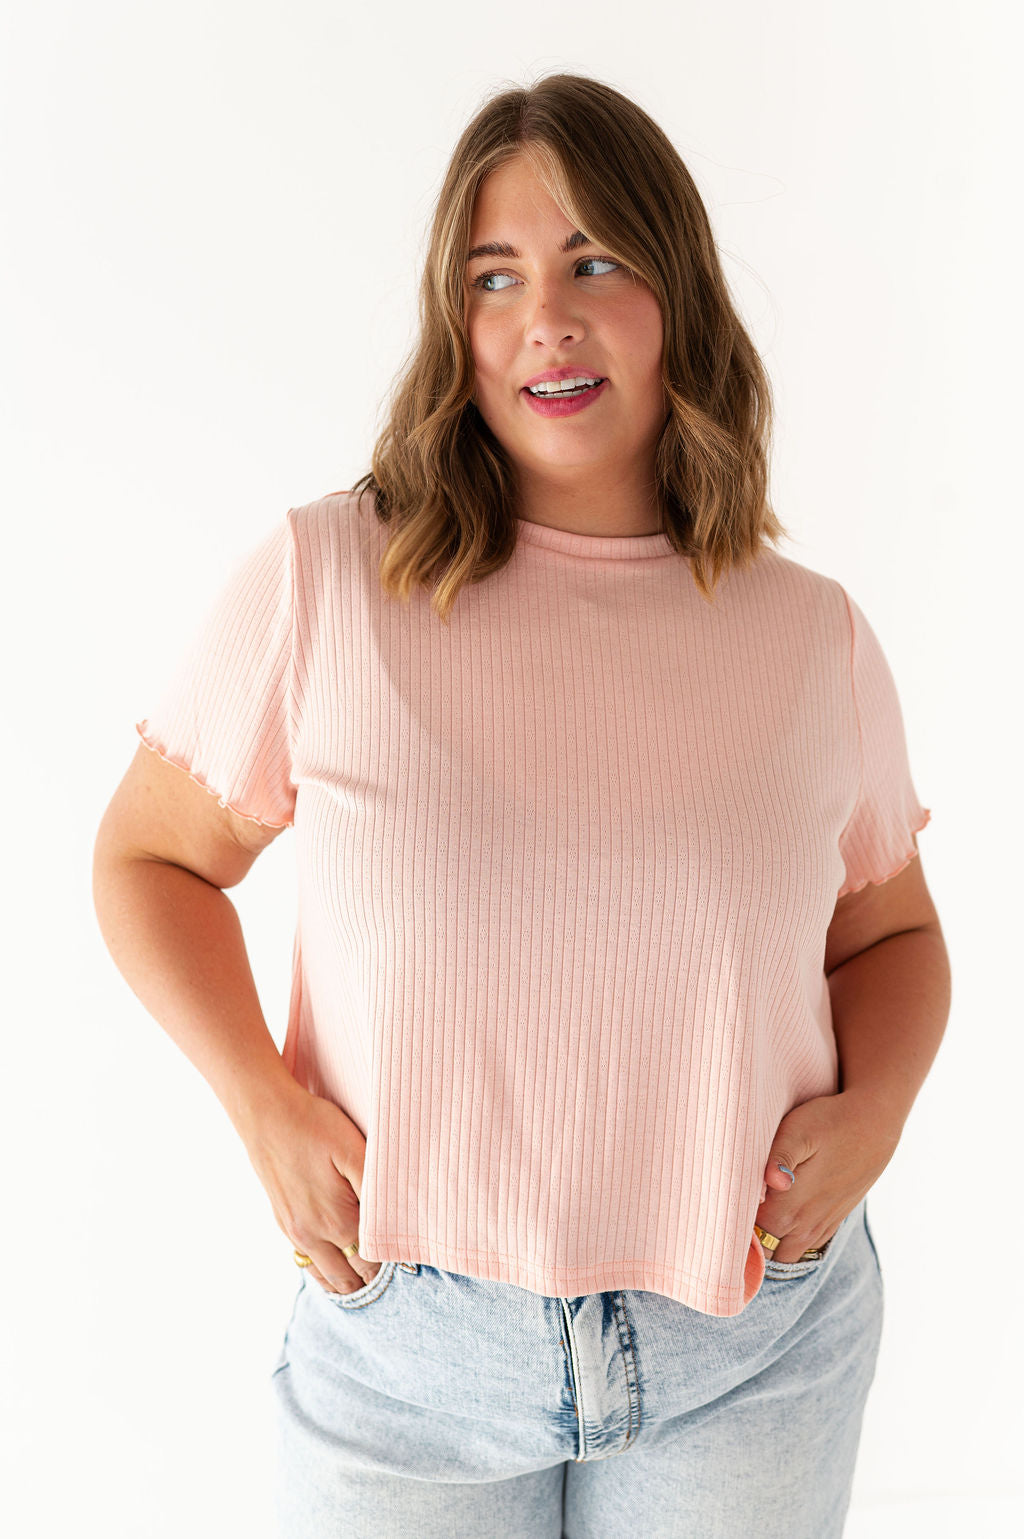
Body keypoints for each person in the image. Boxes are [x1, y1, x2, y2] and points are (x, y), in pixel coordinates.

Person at [92, 71, 951, 1539]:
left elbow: (891, 939)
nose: (544, 316)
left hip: (753, 1341)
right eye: (496, 278)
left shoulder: (812, 636)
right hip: (411, 1348)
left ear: (678, 296)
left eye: (594, 262)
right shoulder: (327, 585)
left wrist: (877, 1112)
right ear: (459, 324)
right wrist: (262, 1107)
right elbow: (149, 860)